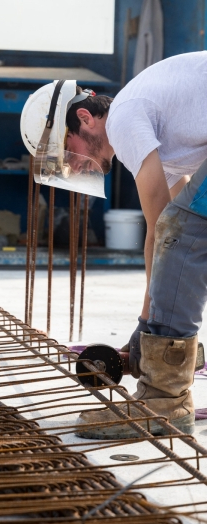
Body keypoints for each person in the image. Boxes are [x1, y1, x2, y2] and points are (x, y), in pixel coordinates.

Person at [21, 51, 207, 439]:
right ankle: (170, 360)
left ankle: (163, 400)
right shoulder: (152, 133)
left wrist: (147, 325)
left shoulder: (124, 118)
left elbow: (163, 230)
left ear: (84, 118)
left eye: (68, 152)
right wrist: (153, 324)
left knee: (181, 233)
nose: (74, 167)